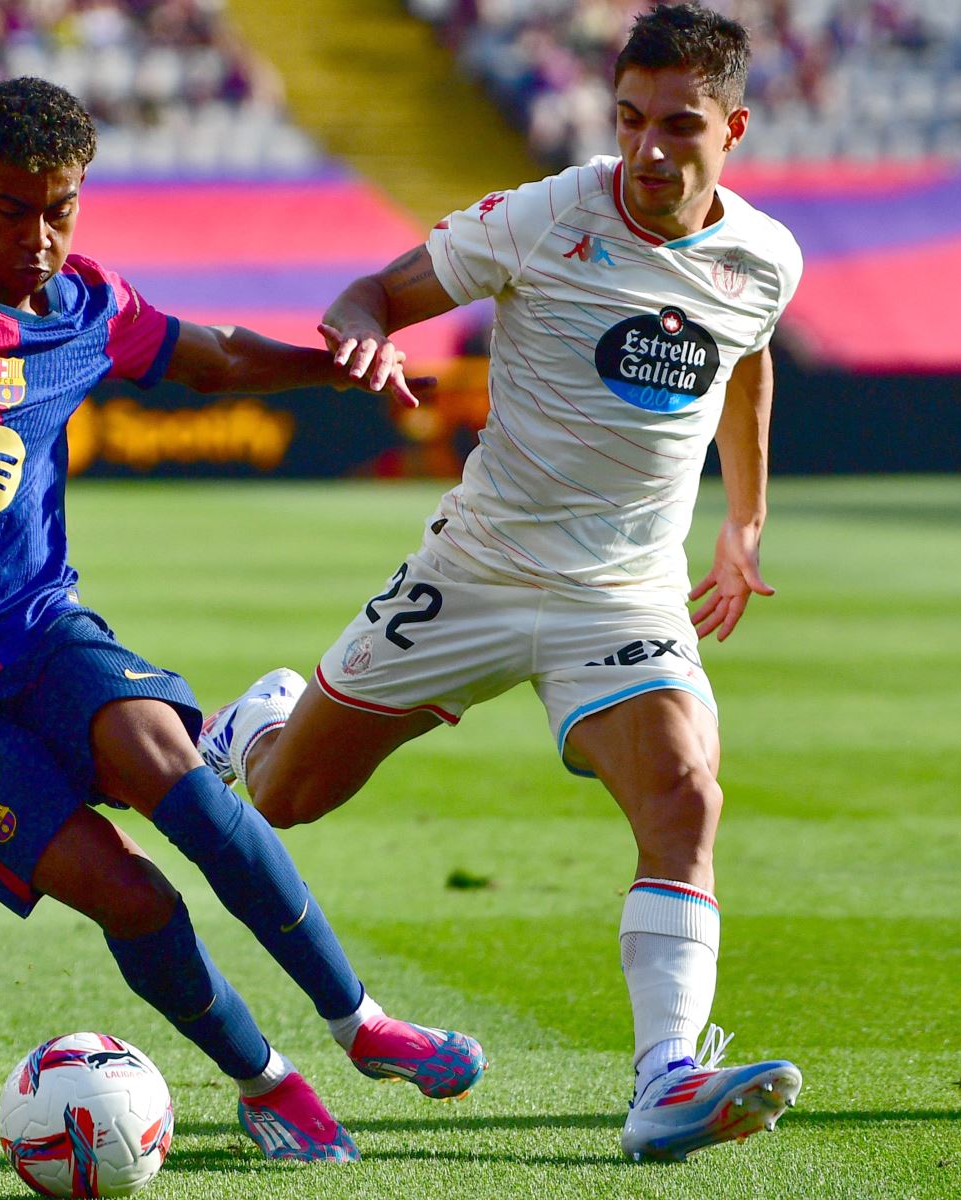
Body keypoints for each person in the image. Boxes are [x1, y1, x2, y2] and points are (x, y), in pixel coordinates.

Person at [0, 76, 484, 1166]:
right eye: (14, 208)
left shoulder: (85, 301)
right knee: (132, 893)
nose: (42, 236)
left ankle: (364, 1023)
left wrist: (337, 367)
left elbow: (210, 358)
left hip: (41, 626)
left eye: (63, 207)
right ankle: (266, 1084)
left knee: (185, 789)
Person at [200, 3, 803, 1163]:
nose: (649, 150)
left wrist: (746, 521)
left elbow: (749, 358)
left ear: (734, 129)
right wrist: (365, 335)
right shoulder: (546, 215)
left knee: (686, 797)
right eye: (629, 119)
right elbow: (371, 294)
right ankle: (260, 722)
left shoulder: (763, 256)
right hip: (474, 572)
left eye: (680, 126)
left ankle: (668, 1076)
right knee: (282, 802)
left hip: (622, 596)